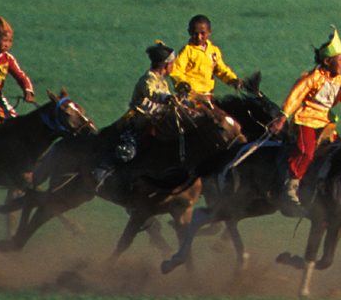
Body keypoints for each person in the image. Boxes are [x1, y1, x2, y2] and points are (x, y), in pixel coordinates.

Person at [269, 28, 341, 207]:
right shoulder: (314, 78)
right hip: (306, 119)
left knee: (339, 150)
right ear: (327, 61)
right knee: (306, 150)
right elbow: (296, 96)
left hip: (325, 123)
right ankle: (291, 185)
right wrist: (282, 118)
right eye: (340, 59)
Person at [93, 42, 179, 183]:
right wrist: (167, 98)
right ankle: (101, 168)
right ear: (166, 65)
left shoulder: (163, 82)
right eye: (173, 63)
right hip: (137, 125)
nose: (173, 66)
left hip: (153, 125)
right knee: (127, 153)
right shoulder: (148, 79)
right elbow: (152, 93)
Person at [168, 14, 240, 102]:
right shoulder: (187, 51)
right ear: (189, 32)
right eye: (195, 33)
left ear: (209, 32)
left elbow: (221, 70)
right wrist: (183, 83)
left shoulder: (213, 51)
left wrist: (233, 80)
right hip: (191, 96)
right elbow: (176, 70)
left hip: (208, 95)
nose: (199, 37)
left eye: (202, 33)